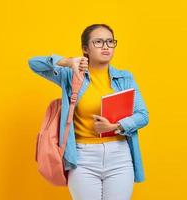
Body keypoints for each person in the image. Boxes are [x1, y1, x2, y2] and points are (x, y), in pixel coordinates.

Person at [28, 24, 149, 200]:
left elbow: (142, 115)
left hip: (119, 156)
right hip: (82, 157)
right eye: (98, 42)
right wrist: (67, 62)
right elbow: (34, 64)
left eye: (110, 41)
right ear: (85, 48)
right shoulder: (71, 75)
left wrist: (116, 125)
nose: (106, 46)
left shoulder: (125, 78)